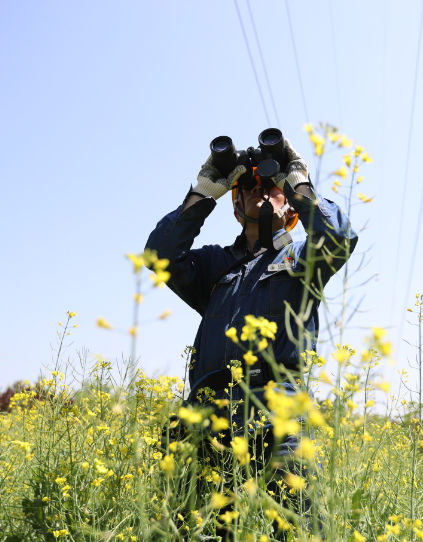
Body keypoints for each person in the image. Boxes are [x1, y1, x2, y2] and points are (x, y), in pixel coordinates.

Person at [144, 136, 356, 538]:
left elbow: (338, 239)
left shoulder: (300, 261)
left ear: (291, 209)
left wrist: (298, 181)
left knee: (296, 527)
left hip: (280, 412)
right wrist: (204, 191)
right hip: (208, 414)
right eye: (248, 189)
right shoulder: (212, 265)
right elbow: (160, 255)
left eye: (271, 188)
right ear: (236, 208)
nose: (259, 193)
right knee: (199, 530)